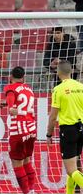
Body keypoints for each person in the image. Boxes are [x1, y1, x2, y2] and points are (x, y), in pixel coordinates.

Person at [46, 60, 83, 194]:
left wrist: (49, 134)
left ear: (58, 72)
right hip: (81, 128)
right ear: (71, 71)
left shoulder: (58, 89)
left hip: (68, 130)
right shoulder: (81, 86)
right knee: (72, 167)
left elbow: (53, 116)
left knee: (71, 170)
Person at [0, 67, 37, 194]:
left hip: (18, 130)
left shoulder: (10, 88)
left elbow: (12, 108)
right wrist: (8, 104)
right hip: (31, 129)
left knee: (17, 163)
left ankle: (26, 192)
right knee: (27, 160)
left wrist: (9, 106)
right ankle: (31, 190)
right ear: (24, 77)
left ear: (11, 77)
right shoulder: (29, 89)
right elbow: (22, 103)